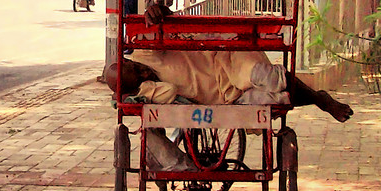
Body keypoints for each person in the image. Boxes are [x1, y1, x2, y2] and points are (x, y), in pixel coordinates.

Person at [103, 50, 354, 123]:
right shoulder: (146, 91)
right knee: (276, 101)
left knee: (267, 76)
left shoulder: (145, 49)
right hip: (225, 100)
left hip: (226, 60)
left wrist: (157, 9)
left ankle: (321, 99)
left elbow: (161, 16)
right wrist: (139, 88)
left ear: (128, 60)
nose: (142, 70)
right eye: (138, 76)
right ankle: (314, 97)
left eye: (135, 67)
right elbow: (165, 93)